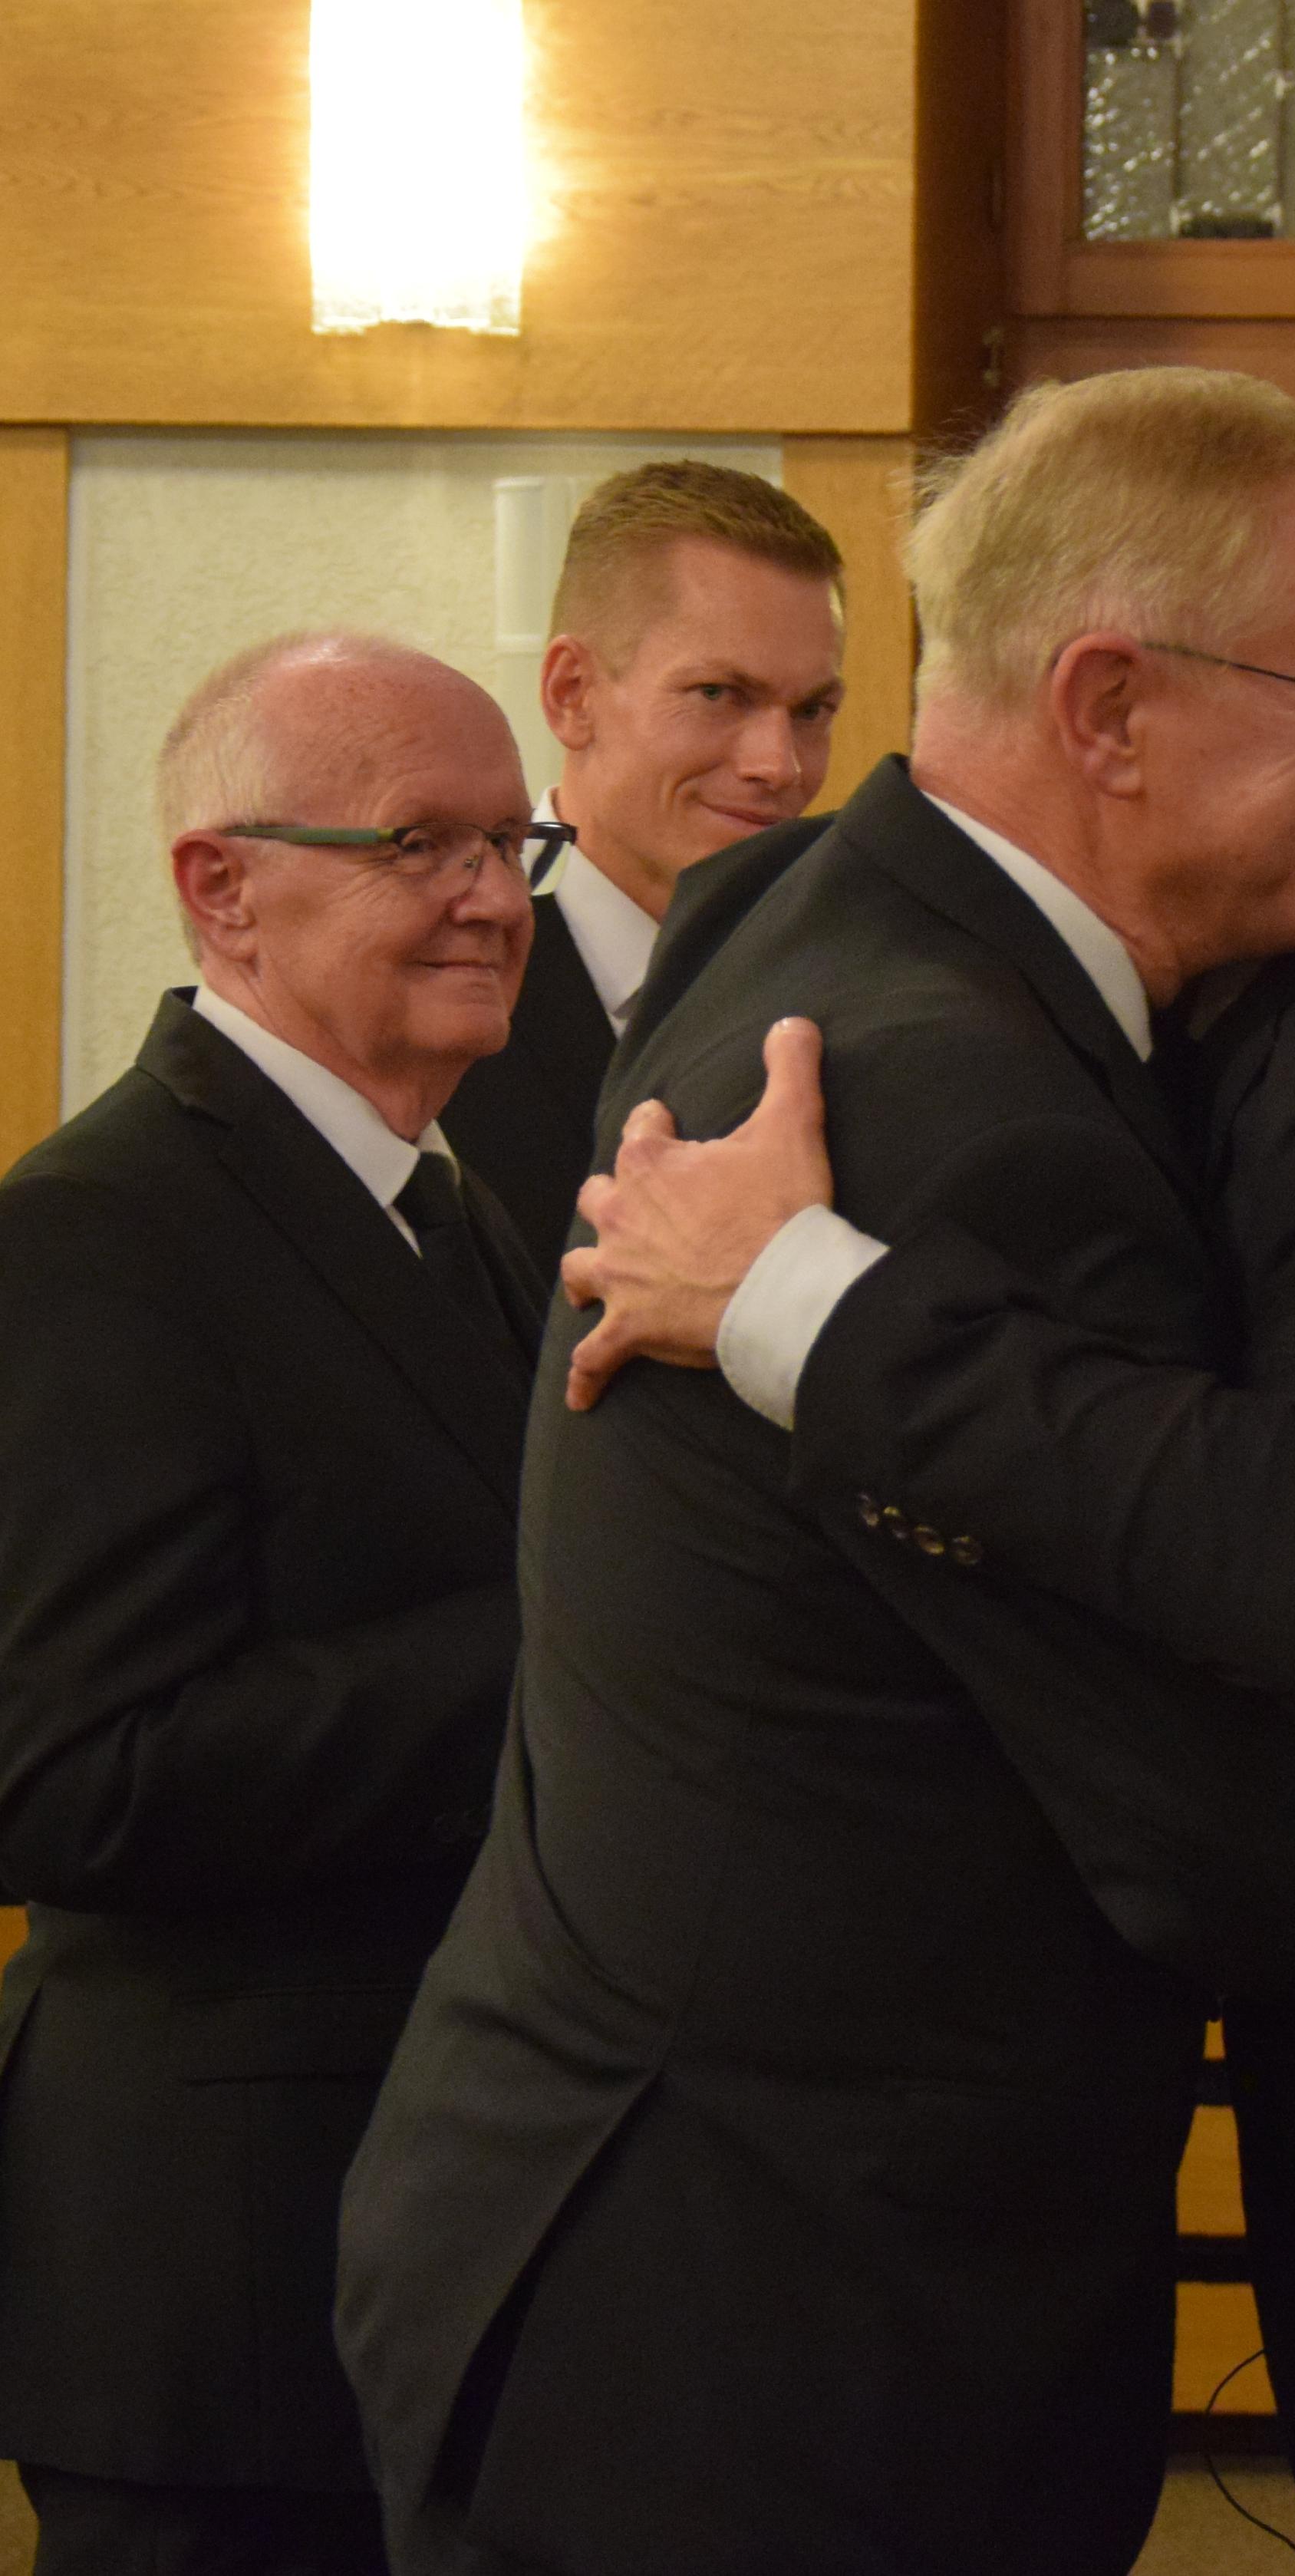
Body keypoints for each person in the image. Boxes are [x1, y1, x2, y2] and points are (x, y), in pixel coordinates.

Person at [337, 368, 1295, 2576]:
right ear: (1104, 707)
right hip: (778, 2342)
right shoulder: (964, 1118)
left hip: (606, 2229)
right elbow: (1236, 1831)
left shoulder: (786, 908)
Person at [0, 633, 553, 2576]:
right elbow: (73, 1775)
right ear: (222, 887)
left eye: (512, 841)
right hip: (219, 2284)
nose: (493, 897)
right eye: (419, 843)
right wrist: (577, 1646)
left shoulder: (455, 1204)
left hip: (429, 2237)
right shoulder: (95, 1229)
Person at [441, 460, 847, 1275]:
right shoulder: (432, 978)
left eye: (811, 711)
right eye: (718, 694)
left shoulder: (854, 976)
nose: (780, 766)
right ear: (572, 694)